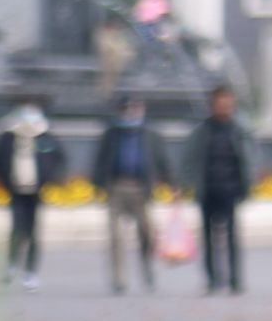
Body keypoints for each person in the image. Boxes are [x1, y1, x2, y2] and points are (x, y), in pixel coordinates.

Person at [182, 85, 260, 296]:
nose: (224, 107)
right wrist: (186, 184)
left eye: (228, 102)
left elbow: (249, 159)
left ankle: (235, 280)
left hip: (230, 190)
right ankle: (212, 280)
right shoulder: (203, 131)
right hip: (208, 190)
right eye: (220, 103)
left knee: (232, 238)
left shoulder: (239, 130)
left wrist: (247, 184)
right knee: (208, 239)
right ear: (212, 105)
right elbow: (189, 158)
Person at [91, 95, 170, 294]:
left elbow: (161, 160)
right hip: (117, 187)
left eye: (135, 108)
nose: (131, 113)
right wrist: (98, 184)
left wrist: (172, 183)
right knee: (116, 237)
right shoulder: (111, 135)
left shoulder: (150, 135)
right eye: (127, 109)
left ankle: (147, 270)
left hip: (141, 189)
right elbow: (100, 159)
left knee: (147, 234)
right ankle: (119, 278)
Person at [0, 102, 68, 290]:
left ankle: (30, 272)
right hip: (15, 189)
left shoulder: (45, 138)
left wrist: (49, 179)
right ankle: (11, 265)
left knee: (32, 232)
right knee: (16, 229)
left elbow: (58, 159)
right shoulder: (8, 139)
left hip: (35, 191)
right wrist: (5, 179)